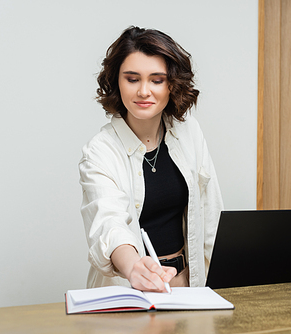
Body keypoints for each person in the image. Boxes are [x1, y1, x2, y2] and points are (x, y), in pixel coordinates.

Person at [79, 26, 223, 292]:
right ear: (116, 82)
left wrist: (219, 283)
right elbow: (108, 224)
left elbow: (211, 211)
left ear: (172, 85)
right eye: (132, 79)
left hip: (188, 283)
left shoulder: (188, 131)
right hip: (129, 288)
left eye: (156, 80)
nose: (144, 91)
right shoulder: (100, 151)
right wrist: (135, 268)